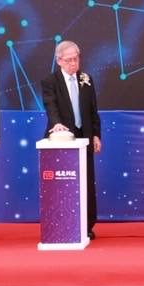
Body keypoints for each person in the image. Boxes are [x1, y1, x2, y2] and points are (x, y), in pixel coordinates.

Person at [40, 39, 102, 238]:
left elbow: (93, 110)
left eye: (76, 59)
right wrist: (57, 124)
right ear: (59, 60)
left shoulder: (86, 79)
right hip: (62, 138)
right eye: (68, 60)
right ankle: (62, 223)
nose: (73, 63)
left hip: (85, 137)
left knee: (87, 181)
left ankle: (87, 225)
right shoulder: (50, 82)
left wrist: (96, 134)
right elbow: (50, 106)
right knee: (63, 183)